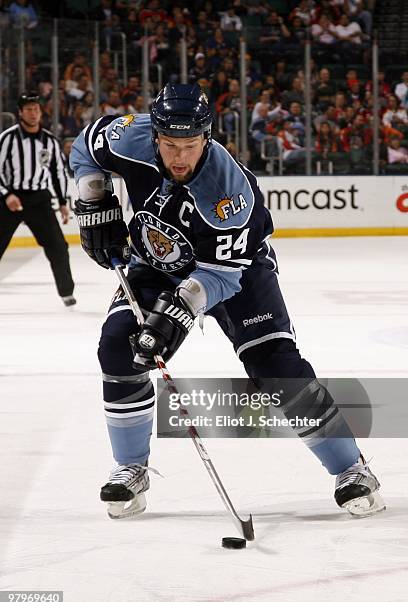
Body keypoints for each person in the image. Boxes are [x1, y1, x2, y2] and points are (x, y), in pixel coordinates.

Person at [70, 83, 384, 520]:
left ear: (207, 137)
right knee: (118, 350)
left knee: (276, 368)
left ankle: (351, 469)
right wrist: (94, 201)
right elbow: (86, 147)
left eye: (190, 145)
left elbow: (218, 276)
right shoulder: (129, 137)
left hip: (236, 271)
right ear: (154, 134)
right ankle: (130, 469)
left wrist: (178, 311)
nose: (179, 157)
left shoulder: (228, 192)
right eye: (169, 144)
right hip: (156, 258)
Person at [0, 92, 76, 307]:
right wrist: (6, 194)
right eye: (28, 110)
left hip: (39, 199)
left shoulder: (50, 141)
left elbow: (57, 173)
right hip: (10, 197)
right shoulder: (7, 138)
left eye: (36, 109)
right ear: (20, 112)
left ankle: (66, 293)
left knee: (58, 247)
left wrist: (62, 202)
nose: (33, 114)